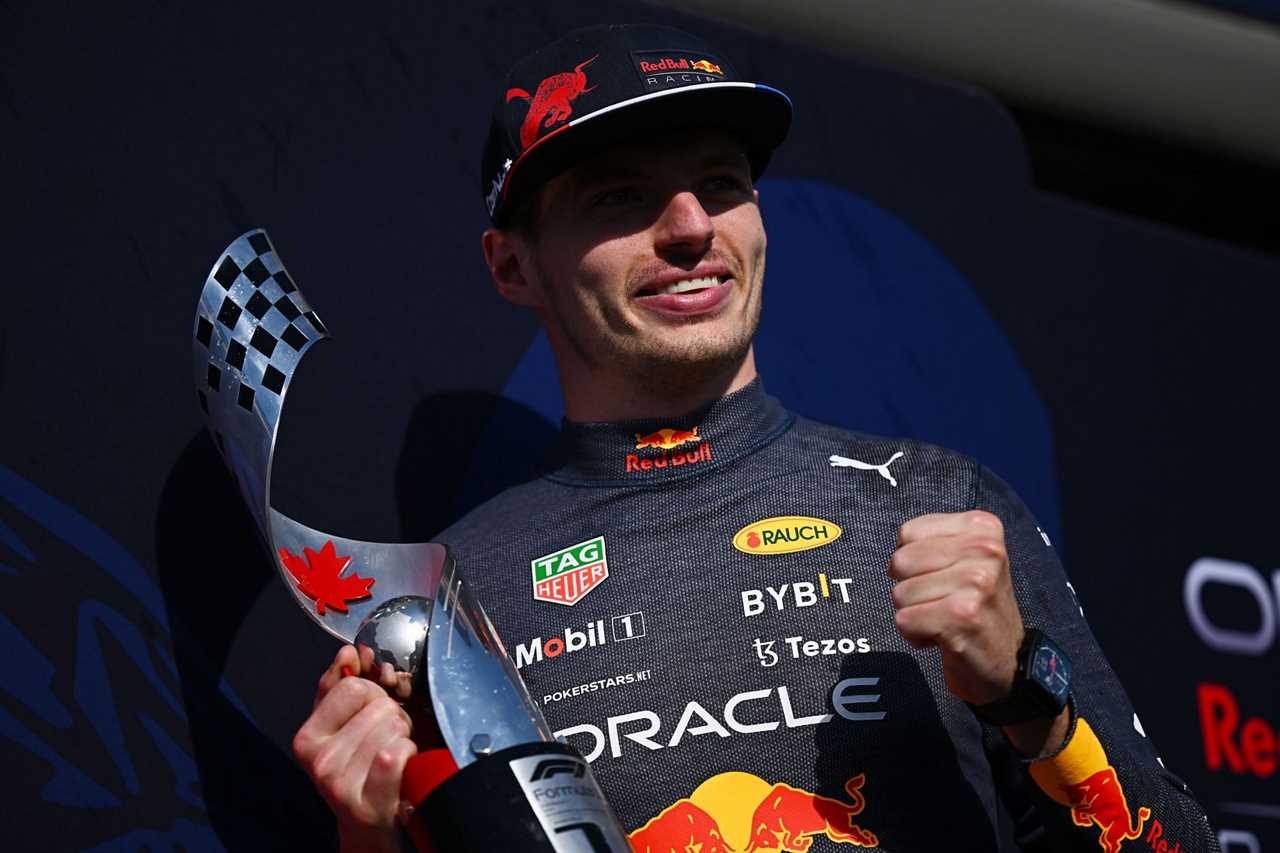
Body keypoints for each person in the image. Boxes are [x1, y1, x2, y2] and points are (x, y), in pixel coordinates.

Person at [291, 23, 1218, 852]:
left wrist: (1028, 694)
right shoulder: (454, 607)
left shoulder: (935, 500)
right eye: (621, 197)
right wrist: (367, 839)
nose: (691, 226)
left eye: (721, 182)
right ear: (511, 264)